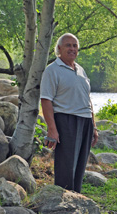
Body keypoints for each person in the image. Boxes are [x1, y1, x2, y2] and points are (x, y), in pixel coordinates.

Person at [40, 33, 98, 193]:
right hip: (66, 121)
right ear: (59, 49)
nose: (72, 48)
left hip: (85, 122)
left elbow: (88, 99)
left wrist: (94, 126)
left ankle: (75, 199)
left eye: (75, 46)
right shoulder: (52, 70)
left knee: (80, 167)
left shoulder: (81, 70)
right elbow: (46, 100)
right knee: (66, 166)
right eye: (68, 45)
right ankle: (62, 203)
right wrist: (52, 129)